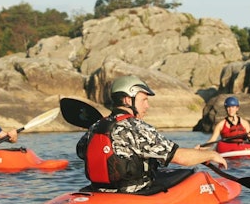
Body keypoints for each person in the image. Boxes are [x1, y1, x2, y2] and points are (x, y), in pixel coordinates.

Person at [76, 75, 227, 193]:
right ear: (128, 99)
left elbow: (81, 151)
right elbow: (179, 157)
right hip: (135, 194)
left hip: (99, 190)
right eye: (144, 100)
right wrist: (211, 155)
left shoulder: (96, 126)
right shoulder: (138, 127)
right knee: (191, 173)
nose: (147, 106)